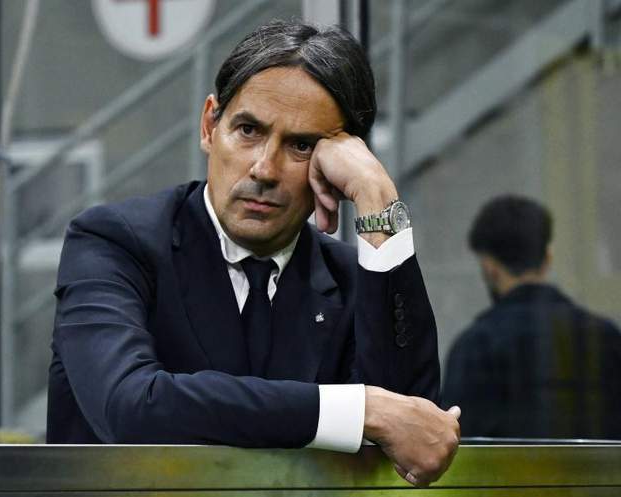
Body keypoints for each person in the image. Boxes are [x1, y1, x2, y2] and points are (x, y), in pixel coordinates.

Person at [47, 20, 460, 486]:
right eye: (248, 130)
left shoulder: (348, 279)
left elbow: (414, 434)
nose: (264, 168)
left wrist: (377, 196)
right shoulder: (114, 242)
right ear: (209, 125)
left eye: (301, 145)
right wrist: (361, 410)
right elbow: (130, 406)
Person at [443, 194, 621, 439]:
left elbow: (456, 442)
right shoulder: (607, 338)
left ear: (488, 266)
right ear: (548, 258)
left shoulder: (474, 346)